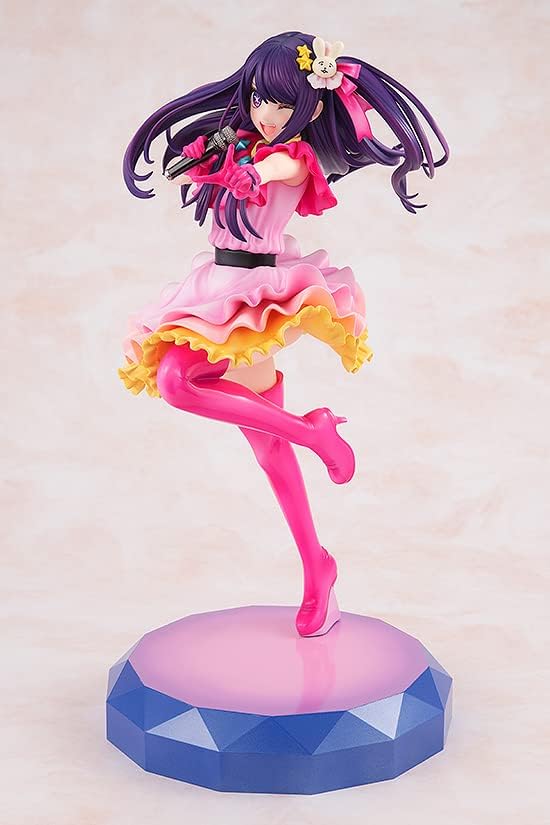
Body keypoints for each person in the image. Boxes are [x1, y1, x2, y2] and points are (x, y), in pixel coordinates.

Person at [119, 31, 449, 637]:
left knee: (177, 382)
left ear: (311, 108)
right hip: (217, 287)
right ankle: (317, 568)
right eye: (260, 99)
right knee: (268, 449)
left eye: (283, 103)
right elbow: (206, 167)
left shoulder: (292, 158)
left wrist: (235, 168)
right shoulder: (240, 141)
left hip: (259, 295)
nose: (268, 114)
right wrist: (201, 155)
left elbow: (265, 171)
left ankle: (314, 434)